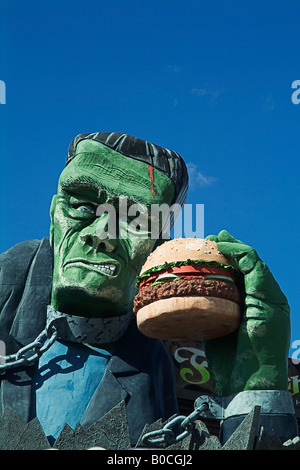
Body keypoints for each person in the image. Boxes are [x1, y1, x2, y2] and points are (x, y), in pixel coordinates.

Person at [0, 132, 298, 447]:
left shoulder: (155, 376)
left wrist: (256, 391)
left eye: (135, 220)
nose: (102, 235)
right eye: (81, 204)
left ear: (157, 249)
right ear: (53, 213)